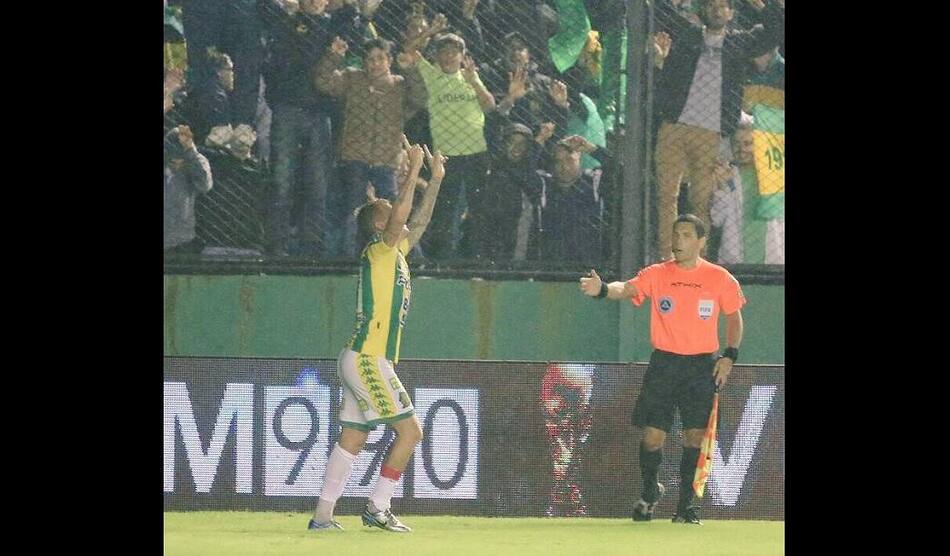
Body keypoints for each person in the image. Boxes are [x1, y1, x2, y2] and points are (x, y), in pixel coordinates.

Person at [309, 139, 447, 533]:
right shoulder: (378, 250)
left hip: (360, 355)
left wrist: (433, 180)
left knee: (353, 435)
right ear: (378, 225)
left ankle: (323, 516)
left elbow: (417, 221)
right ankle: (378, 506)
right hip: (368, 356)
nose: (400, 218)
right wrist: (414, 170)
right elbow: (405, 213)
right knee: (411, 431)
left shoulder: (395, 253)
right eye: (390, 214)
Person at [578, 214, 745, 525]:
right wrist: (601, 289)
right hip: (665, 364)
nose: (678, 241)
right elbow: (625, 289)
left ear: (700, 241)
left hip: (700, 367)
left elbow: (734, 319)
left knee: (694, 437)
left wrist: (728, 356)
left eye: (685, 235)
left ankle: (686, 507)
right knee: (653, 436)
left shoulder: (720, 278)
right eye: (675, 235)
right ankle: (649, 491)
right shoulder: (657, 274)